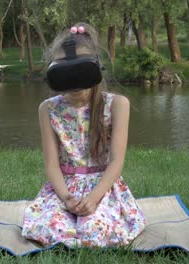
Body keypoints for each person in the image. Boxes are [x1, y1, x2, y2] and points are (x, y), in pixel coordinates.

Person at [22, 23, 146, 248]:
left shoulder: (117, 104)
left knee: (94, 231)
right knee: (52, 228)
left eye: (81, 68)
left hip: (103, 187)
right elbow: (51, 165)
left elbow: (117, 161)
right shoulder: (48, 109)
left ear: (96, 67)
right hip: (63, 188)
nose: (74, 78)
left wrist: (94, 198)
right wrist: (67, 198)